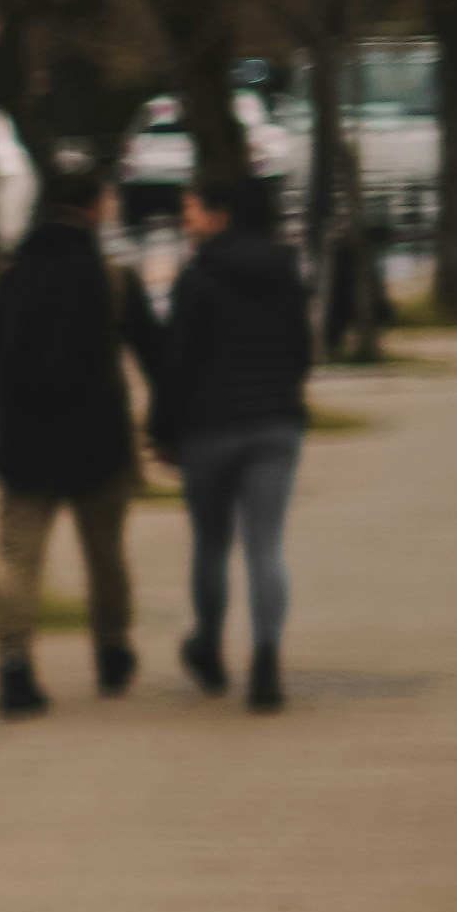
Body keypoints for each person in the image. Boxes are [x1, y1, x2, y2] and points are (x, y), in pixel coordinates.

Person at [130, 166, 314, 710]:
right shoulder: (285, 272)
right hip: (275, 424)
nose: (187, 225)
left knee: (211, 544)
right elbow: (302, 352)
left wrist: (163, 432)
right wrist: (279, 394)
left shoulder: (199, 277)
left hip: (209, 428)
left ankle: (209, 644)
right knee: (266, 546)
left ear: (219, 216)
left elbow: (176, 363)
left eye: (192, 212)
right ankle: (265, 662)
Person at [0, 159, 143, 715]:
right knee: (106, 556)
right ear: (93, 207)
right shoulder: (112, 277)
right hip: (98, 441)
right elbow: (150, 347)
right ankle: (113, 650)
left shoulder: (12, 275)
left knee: (20, 560)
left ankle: (15, 667)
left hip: (25, 442)